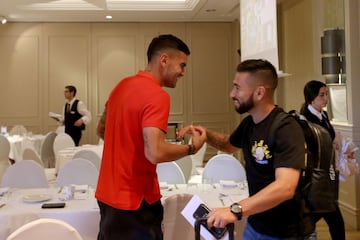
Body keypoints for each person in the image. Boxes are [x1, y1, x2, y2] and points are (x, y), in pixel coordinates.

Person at [179, 59, 316, 239]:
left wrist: (235, 210)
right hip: (256, 226)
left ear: (259, 92)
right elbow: (228, 144)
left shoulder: (286, 129)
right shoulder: (249, 124)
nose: (231, 94)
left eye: (237, 88)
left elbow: (285, 187)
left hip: (287, 233)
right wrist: (205, 134)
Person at [95, 34, 206, 240]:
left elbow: (102, 129)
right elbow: (155, 152)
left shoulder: (121, 86)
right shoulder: (158, 95)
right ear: (164, 60)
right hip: (136, 200)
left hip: (107, 196)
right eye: (182, 65)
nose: (183, 72)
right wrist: (192, 148)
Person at [300, 80, 345, 240]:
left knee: (321, 215)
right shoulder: (304, 120)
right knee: (334, 218)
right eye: (322, 95)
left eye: (326, 94)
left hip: (328, 174)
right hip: (316, 177)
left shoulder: (324, 115)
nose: (326, 98)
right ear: (312, 98)